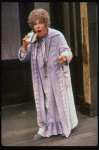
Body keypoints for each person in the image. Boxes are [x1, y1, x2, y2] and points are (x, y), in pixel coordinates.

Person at [18, 8, 78, 140]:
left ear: (46, 23)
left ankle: (63, 127)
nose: (37, 26)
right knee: (45, 104)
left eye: (40, 22)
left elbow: (67, 51)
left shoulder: (57, 35)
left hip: (55, 76)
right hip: (40, 78)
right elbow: (24, 58)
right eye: (35, 24)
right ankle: (44, 128)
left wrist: (64, 56)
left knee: (57, 103)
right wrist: (24, 46)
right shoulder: (32, 39)